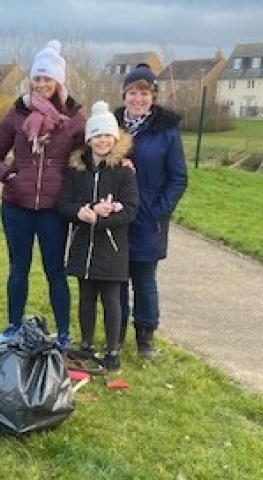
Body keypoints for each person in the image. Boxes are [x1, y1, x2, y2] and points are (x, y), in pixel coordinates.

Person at [0, 40, 86, 348]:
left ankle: (64, 333)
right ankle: (14, 326)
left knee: (56, 271)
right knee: (19, 268)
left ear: (59, 81)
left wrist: (117, 160)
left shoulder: (74, 119)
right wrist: (8, 175)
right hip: (17, 206)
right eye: (37, 78)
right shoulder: (16, 114)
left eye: (48, 78)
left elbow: (89, 154)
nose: (42, 84)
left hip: (54, 209)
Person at [114, 63, 188, 359]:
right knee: (116, 280)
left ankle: (145, 337)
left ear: (153, 96)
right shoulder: (111, 125)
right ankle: (114, 334)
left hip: (149, 218)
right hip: (116, 215)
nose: (138, 99)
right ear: (124, 95)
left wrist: (159, 210)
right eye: (133, 93)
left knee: (144, 281)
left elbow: (178, 177)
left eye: (144, 93)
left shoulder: (166, 131)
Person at [58, 101, 138, 371]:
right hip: (83, 245)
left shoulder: (124, 172)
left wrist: (102, 220)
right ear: (88, 139)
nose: (102, 140)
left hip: (113, 249)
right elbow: (64, 204)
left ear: (114, 139)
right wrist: (84, 212)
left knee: (112, 300)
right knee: (86, 297)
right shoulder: (76, 169)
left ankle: (113, 350)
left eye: (107, 135)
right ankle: (87, 345)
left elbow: (130, 210)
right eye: (97, 135)